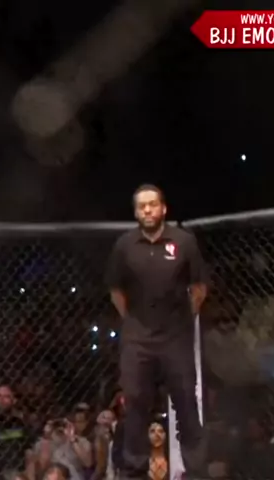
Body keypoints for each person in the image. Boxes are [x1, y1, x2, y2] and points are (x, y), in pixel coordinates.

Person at [104, 184, 208, 479]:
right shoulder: (125, 245)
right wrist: (133, 322)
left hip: (175, 337)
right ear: (136, 212)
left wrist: (183, 320)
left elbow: (199, 287)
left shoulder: (184, 241)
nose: (147, 210)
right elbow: (115, 291)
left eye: (152, 204)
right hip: (138, 339)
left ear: (163, 208)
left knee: (186, 402)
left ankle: (196, 471)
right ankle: (134, 470)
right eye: (142, 206)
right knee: (136, 403)